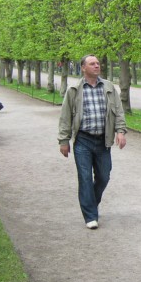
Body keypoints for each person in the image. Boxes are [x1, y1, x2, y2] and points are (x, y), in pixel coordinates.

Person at [58, 55, 127, 229]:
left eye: (98, 63)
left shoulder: (109, 87)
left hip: (103, 141)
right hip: (83, 140)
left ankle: (91, 203)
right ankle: (90, 215)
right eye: (92, 64)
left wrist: (120, 131)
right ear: (83, 68)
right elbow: (65, 117)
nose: (97, 66)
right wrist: (63, 140)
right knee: (85, 177)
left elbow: (118, 111)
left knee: (104, 176)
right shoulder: (74, 89)